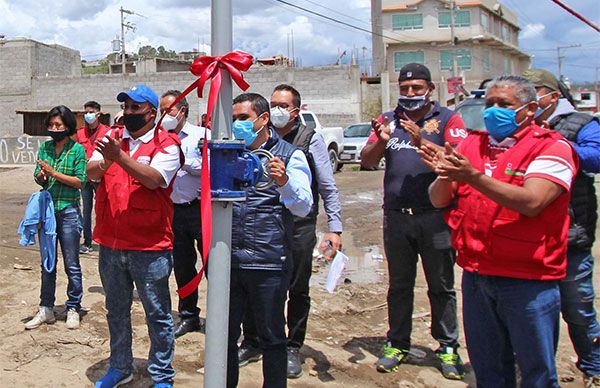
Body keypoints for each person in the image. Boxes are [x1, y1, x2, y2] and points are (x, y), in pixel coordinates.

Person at [423, 75, 578, 387]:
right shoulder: (471, 144)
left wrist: (472, 175)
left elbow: (533, 201)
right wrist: (444, 175)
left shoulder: (552, 149)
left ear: (530, 108)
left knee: (536, 372)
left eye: (504, 105)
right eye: (489, 104)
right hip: (477, 275)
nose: (494, 111)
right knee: (489, 369)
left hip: (528, 281)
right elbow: (440, 199)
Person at [360, 63, 466, 379]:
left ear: (430, 89)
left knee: (441, 286)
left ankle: (447, 348)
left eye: (416, 88)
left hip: (436, 218)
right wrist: (381, 140)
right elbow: (367, 161)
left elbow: (459, 162)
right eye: (404, 89)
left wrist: (422, 141)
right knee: (399, 285)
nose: (410, 94)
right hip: (396, 218)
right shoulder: (388, 119)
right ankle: (397, 343)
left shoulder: (447, 119)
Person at [237, 84, 343, 378]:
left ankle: (292, 345)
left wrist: (335, 227)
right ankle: (253, 339)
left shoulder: (308, 140)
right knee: (253, 284)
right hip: (260, 226)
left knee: (295, 286)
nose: (277, 110)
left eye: (283, 105)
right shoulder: (250, 143)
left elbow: (327, 186)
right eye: (273, 105)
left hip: (297, 224)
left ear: (296, 110)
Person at [88, 84, 182, 388]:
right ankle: (120, 366)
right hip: (111, 245)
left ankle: (161, 374)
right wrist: (109, 158)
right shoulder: (112, 139)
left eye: (135, 107)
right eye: (125, 107)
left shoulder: (166, 143)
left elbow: (154, 180)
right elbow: (91, 171)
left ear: (151, 112)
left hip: (149, 247)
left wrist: (119, 158)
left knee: (157, 314)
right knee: (116, 310)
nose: (128, 112)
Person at [227, 92, 313, 388]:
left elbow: (303, 207)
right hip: (230, 261)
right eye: (234, 118)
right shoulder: (227, 153)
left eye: (243, 119)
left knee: (272, 336)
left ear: (263, 120)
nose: (237, 124)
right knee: (224, 337)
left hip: (268, 262)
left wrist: (283, 183)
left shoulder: (290, 155)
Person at [523, 68, 600, 386]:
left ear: (553, 96)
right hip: (528, 237)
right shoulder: (522, 125)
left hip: (570, 236)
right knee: (531, 313)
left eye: (534, 92)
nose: (529, 99)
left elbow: (596, 157)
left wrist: (557, 150)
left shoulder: (582, 124)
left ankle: (594, 369)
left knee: (578, 309)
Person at [25, 105, 86, 330]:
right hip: (48, 212)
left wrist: (54, 173)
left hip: (69, 211)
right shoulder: (45, 148)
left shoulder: (77, 150)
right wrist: (42, 176)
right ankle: (46, 308)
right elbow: (38, 178)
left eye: (58, 125)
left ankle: (73, 307)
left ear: (67, 126)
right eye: (51, 125)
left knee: (72, 264)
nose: (54, 128)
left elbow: (80, 182)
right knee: (48, 263)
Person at [159, 90, 210, 338]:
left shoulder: (202, 136)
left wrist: (182, 161)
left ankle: (221, 317)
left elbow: (210, 168)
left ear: (183, 111)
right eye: (161, 111)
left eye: (168, 110)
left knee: (213, 265)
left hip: (200, 210)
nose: (164, 115)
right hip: (173, 211)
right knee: (182, 266)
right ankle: (188, 315)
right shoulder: (159, 138)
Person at [76, 101, 110, 254]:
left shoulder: (107, 132)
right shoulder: (80, 133)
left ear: (98, 114)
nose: (87, 115)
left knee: (103, 208)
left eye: (90, 112)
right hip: (85, 177)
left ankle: (105, 240)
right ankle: (87, 241)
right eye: (86, 112)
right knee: (86, 210)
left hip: (101, 177)